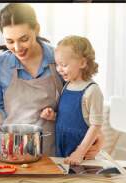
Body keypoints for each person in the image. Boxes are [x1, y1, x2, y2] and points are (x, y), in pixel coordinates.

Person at [0, 3, 63, 156]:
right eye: (9, 41)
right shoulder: (0, 66)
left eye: (24, 38)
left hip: (54, 151)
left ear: (37, 29)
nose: (17, 47)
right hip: (11, 151)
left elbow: (77, 102)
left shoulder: (58, 58)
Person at [40, 35, 105, 165]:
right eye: (57, 65)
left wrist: (79, 152)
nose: (59, 69)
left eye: (63, 65)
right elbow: (68, 117)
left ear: (82, 63)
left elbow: (96, 125)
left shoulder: (92, 90)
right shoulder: (67, 86)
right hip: (61, 149)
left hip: (82, 156)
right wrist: (53, 116)